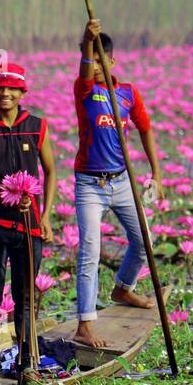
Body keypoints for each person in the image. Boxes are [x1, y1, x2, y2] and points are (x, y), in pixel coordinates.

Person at [72, 19, 164, 349]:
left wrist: (156, 173)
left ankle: (123, 287)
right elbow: (84, 69)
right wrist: (87, 40)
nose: (95, 65)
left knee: (144, 243)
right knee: (90, 252)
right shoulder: (84, 90)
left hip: (122, 182)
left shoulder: (127, 93)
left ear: (111, 61)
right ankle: (85, 323)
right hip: (90, 184)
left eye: (100, 59)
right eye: (89, 58)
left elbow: (145, 129)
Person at [0, 61, 57, 385]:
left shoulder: (37, 126)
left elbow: (50, 173)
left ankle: (27, 364)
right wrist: (4, 196)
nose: (4, 93)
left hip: (30, 227)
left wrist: (45, 216)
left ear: (22, 91)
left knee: (26, 297)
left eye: (11, 88)